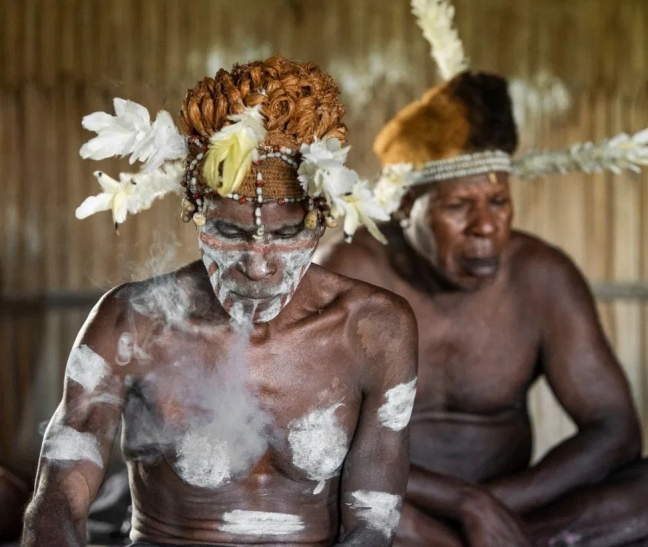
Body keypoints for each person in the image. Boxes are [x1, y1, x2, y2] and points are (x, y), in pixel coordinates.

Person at [316, 0, 648, 546]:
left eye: (500, 202)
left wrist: (494, 508)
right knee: (334, 510)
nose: (487, 227)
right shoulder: (351, 274)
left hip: (519, 511)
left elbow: (614, 430)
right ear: (405, 207)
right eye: (460, 206)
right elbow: (315, 440)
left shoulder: (540, 276)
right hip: (396, 508)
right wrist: (465, 502)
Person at [22, 55, 417, 547]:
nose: (257, 265)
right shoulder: (133, 321)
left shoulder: (375, 328)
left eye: (285, 233)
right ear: (196, 212)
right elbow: (59, 496)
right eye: (230, 232)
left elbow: (371, 527)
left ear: (321, 218)